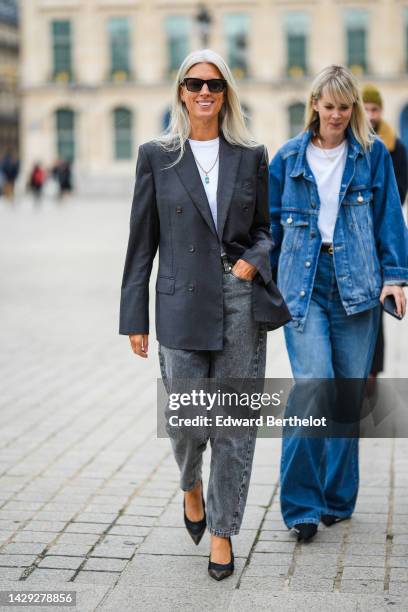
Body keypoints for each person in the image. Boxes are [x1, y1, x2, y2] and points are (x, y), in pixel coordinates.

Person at [120, 49, 290, 580]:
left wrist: (254, 260)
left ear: (226, 93)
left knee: (234, 426)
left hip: (240, 300)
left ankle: (222, 533)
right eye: (194, 84)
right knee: (186, 423)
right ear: (180, 91)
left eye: (213, 85)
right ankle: (190, 484)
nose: (204, 93)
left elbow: (267, 229)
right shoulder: (157, 155)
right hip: (180, 302)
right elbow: (141, 242)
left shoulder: (250, 154)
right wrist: (134, 317)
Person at [269, 65, 407, 542]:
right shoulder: (287, 159)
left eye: (344, 108)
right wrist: (259, 285)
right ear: (314, 105)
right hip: (303, 286)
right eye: (328, 107)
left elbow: (390, 217)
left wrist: (395, 278)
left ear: (353, 111)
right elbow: (268, 227)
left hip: (358, 288)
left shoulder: (372, 157)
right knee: (314, 387)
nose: (335, 116)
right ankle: (302, 505)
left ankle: (336, 497)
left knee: (347, 394)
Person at [362, 84, 408, 378]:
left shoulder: (393, 145)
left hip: (379, 236)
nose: (370, 115)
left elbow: (399, 192)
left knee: (377, 308)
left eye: (375, 109)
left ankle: (373, 372)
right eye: (365, 109)